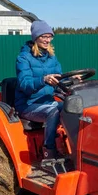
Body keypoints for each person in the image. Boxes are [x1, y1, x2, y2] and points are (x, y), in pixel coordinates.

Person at [15, 20, 63, 160]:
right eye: (44, 36)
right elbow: (24, 83)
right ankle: (49, 150)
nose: (48, 40)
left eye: (50, 36)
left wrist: (73, 79)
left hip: (47, 101)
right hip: (28, 105)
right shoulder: (24, 58)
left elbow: (59, 78)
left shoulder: (52, 58)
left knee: (72, 107)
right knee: (52, 111)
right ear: (36, 37)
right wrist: (43, 79)